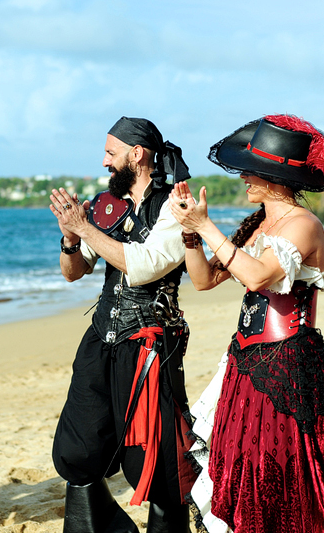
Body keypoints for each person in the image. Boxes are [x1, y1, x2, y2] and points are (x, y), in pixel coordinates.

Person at [169, 115, 324, 533]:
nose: (243, 177)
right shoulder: (259, 225)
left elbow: (259, 276)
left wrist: (206, 226)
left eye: (251, 171)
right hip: (245, 362)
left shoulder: (303, 224)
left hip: (290, 363)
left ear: (274, 177)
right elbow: (203, 280)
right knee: (250, 464)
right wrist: (191, 234)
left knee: (292, 465)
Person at [49, 117, 196, 533]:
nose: (104, 162)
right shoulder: (103, 205)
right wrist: (71, 239)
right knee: (79, 446)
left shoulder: (175, 205)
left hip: (150, 345)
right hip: (101, 338)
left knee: (160, 456)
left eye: (111, 153)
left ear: (138, 154)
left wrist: (84, 229)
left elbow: (146, 266)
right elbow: (73, 272)